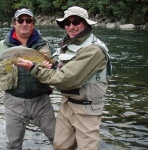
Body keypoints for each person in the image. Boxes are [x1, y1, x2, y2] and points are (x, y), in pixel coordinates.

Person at [16, 6, 112, 150]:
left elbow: (63, 79)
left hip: (87, 109)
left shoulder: (94, 50)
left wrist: (33, 68)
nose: (71, 27)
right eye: (67, 23)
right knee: (60, 146)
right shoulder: (69, 43)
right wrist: (49, 63)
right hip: (67, 103)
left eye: (76, 22)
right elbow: (61, 66)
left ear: (85, 24)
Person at [0, 8, 56, 150]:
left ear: (33, 24)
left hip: (41, 102)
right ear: (14, 23)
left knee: (59, 139)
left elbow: (60, 70)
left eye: (28, 20)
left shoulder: (46, 46)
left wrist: (54, 69)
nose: (24, 23)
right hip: (13, 103)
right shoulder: (1, 48)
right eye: (20, 20)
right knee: (13, 145)